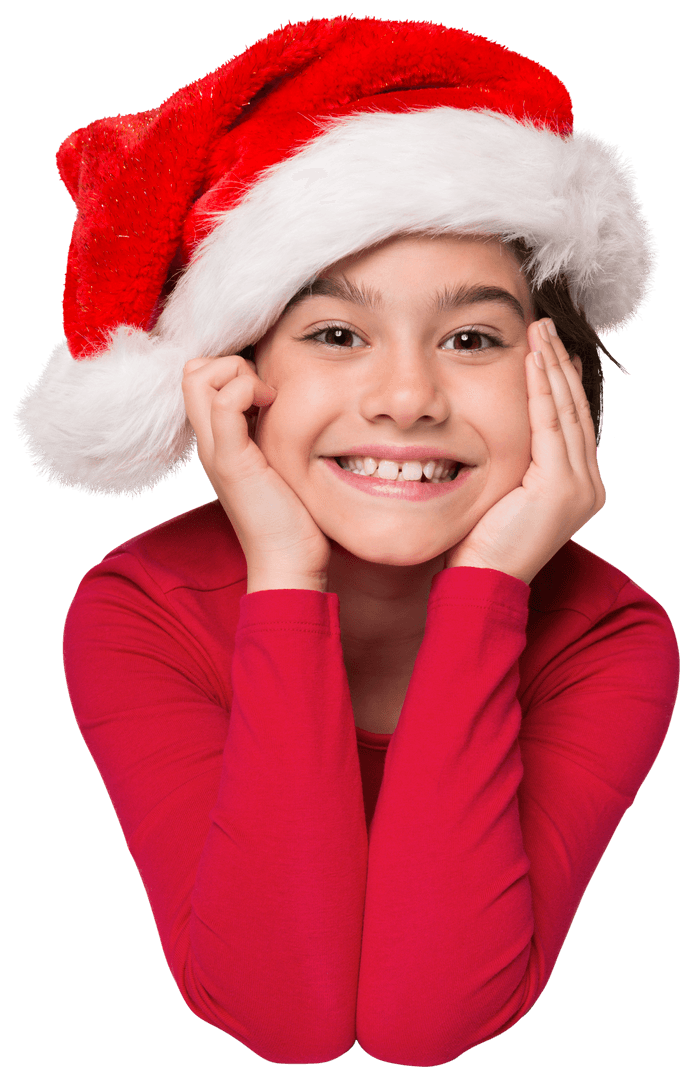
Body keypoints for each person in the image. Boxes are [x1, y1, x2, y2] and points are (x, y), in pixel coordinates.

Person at [14, 15, 679, 1068]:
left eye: (472, 339)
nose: (408, 398)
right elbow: (284, 1020)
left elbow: (431, 1022)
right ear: (233, 379)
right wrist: (284, 578)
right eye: (335, 334)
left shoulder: (609, 636)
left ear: (556, 377)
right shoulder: (137, 609)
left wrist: (490, 590)